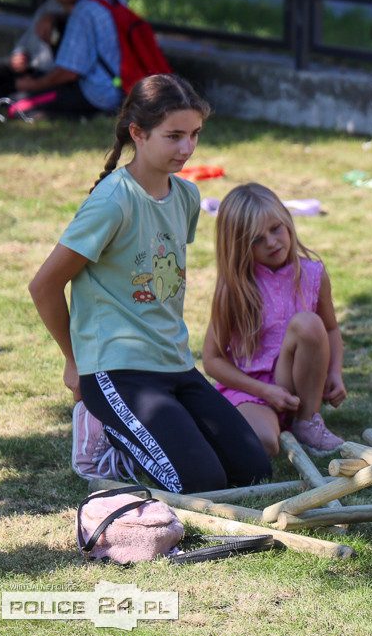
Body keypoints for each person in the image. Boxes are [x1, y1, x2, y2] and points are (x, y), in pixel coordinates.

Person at [28, 74, 271, 494]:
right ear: (138, 134)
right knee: (198, 483)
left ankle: (150, 431)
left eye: (194, 134)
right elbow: (44, 286)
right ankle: (106, 432)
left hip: (175, 365)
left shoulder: (187, 196)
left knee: (254, 470)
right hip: (116, 370)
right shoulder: (111, 201)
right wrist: (76, 362)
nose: (187, 148)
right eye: (174, 136)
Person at [202, 183, 348, 459]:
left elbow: (329, 328)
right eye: (256, 239)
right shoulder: (234, 289)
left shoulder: (313, 273)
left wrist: (334, 373)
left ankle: (306, 421)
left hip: (295, 384)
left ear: (288, 222)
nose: (271, 242)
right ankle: (264, 423)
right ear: (238, 246)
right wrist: (264, 391)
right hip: (251, 388)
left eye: (275, 229)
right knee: (263, 444)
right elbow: (212, 360)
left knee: (308, 323)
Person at [8, 0, 125, 119]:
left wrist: (33, 85)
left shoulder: (82, 12)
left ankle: (80, 116)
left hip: (94, 95)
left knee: (14, 106)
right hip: (117, 89)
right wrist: (54, 16)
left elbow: (67, 73)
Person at [0, 0, 68, 102]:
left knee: (8, 93)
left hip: (48, 78)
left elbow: (67, 73)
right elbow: (26, 38)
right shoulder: (50, 5)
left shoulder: (80, 17)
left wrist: (35, 84)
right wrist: (19, 54)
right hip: (26, 67)